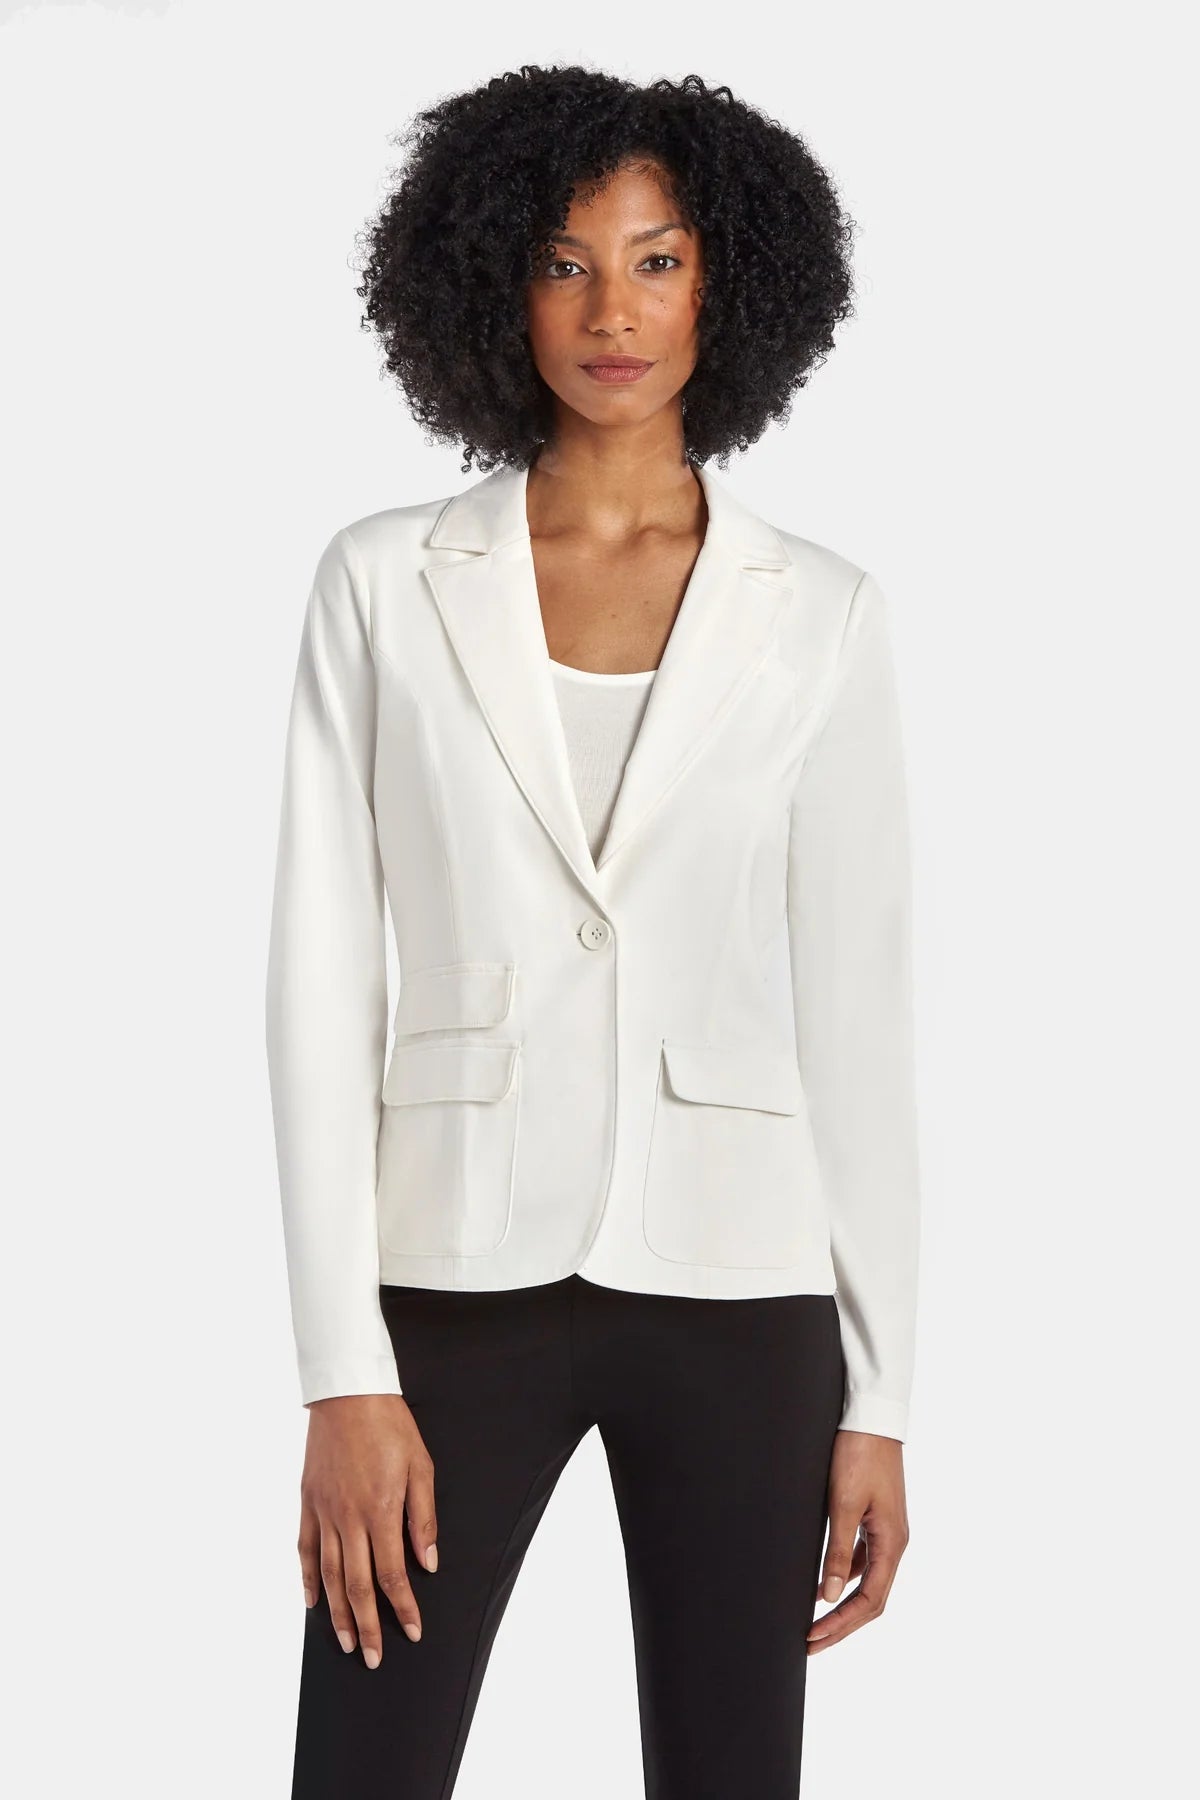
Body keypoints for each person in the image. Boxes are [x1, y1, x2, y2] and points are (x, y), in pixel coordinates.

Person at [265, 63, 921, 1800]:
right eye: (564, 263)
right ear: (494, 279)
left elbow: (858, 1012)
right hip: (452, 1276)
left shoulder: (823, 615)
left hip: (741, 1287)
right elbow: (320, 984)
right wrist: (340, 1371)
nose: (611, 312)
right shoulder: (382, 582)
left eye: (657, 260)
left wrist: (882, 1393)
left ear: (728, 285)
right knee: (363, 1768)